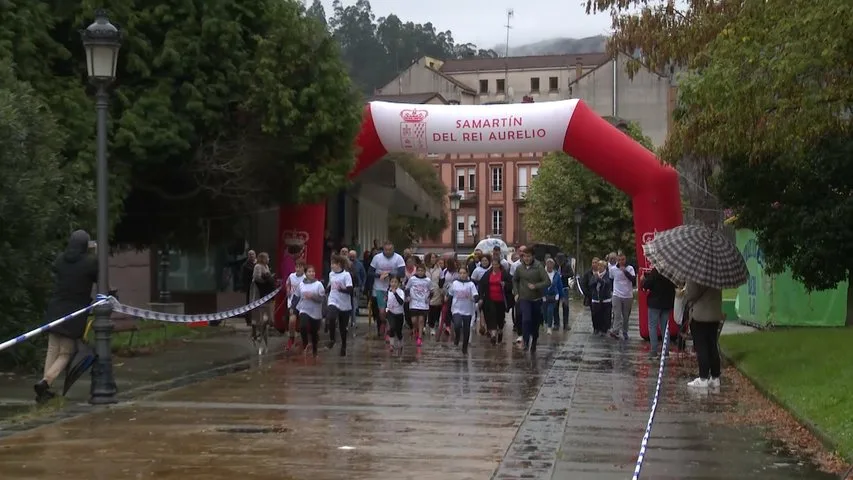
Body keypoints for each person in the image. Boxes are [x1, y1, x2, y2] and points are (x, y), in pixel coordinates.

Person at [36, 230, 98, 403]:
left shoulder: (60, 259)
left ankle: (44, 389)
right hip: (74, 312)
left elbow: (57, 269)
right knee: (66, 352)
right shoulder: (90, 262)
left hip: (56, 308)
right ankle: (45, 382)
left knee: (52, 348)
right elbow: (98, 276)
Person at [685, 281, 724, 388]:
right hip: (714, 314)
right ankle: (715, 377)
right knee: (712, 345)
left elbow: (690, 294)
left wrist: (685, 289)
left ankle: (703, 378)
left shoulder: (696, 274)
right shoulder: (717, 274)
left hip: (700, 315)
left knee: (701, 346)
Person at [512, 249, 550, 353]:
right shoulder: (520, 268)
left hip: (536, 299)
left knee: (535, 322)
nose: (526, 258)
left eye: (528, 256)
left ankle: (534, 340)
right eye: (524, 256)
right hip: (524, 298)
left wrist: (536, 286)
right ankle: (526, 341)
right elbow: (514, 280)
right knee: (526, 320)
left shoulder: (538, 267)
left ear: (533, 256)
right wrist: (516, 292)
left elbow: (547, 281)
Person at [369, 241, 406, 341]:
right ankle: (383, 323)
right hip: (379, 288)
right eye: (386, 250)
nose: (388, 252)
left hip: (393, 288)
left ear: (393, 249)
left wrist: (389, 275)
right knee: (382, 312)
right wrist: (379, 275)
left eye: (390, 250)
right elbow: (370, 272)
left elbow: (402, 273)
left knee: (391, 310)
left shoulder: (398, 258)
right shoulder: (377, 258)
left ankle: (389, 331)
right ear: (383, 249)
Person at [477, 255, 513, 344]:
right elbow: (481, 285)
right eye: (493, 265)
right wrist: (481, 297)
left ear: (499, 265)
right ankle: (493, 335)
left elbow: (511, 284)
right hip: (490, 299)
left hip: (501, 300)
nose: (494, 266)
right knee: (491, 317)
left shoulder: (504, 273)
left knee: (500, 319)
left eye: (496, 264)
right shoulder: (488, 273)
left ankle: (500, 331)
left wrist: (505, 284)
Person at [642, 267, 676, 360]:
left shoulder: (656, 271)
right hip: (667, 303)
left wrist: (643, 280)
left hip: (655, 303)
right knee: (665, 327)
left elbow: (647, 285)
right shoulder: (671, 271)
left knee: (652, 326)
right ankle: (666, 351)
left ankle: (654, 351)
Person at [295, 265, 325, 357]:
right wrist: (293, 307)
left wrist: (312, 296)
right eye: (309, 272)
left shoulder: (318, 284)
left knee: (314, 331)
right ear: (305, 273)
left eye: (313, 272)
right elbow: (296, 296)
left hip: (316, 311)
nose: (311, 273)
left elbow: (322, 299)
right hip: (304, 309)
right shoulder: (301, 284)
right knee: (303, 326)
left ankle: (315, 350)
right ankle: (305, 344)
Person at [325, 255, 353, 356]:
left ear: (339, 264)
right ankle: (332, 339)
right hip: (333, 299)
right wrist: (324, 290)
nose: (331, 266)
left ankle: (344, 345)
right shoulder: (331, 274)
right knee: (331, 317)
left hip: (344, 304)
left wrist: (341, 289)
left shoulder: (346, 275)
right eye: (331, 263)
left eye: (334, 264)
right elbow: (330, 285)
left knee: (342, 327)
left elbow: (350, 289)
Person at [447, 268, 479, 354]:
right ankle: (457, 336)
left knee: (466, 329)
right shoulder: (455, 283)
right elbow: (450, 296)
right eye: (460, 273)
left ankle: (464, 348)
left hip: (468, 310)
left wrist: (473, 298)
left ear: (467, 274)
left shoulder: (471, 284)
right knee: (457, 325)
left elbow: (476, 296)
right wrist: (448, 309)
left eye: (464, 273)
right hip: (456, 309)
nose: (462, 275)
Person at [250, 252, 276, 345]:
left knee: (267, 317)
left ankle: (261, 331)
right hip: (258, 292)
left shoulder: (266, 266)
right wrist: (266, 280)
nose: (269, 259)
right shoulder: (258, 266)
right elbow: (257, 278)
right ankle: (256, 333)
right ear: (263, 258)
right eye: (267, 257)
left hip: (266, 292)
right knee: (258, 314)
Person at [609, 253, 636, 340]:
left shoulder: (630, 268)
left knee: (626, 316)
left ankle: (625, 331)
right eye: (619, 260)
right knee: (617, 314)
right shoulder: (613, 269)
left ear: (625, 260)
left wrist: (625, 271)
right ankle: (615, 331)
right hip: (617, 294)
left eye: (623, 260)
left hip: (628, 295)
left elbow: (633, 280)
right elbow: (611, 279)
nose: (621, 262)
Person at [406, 264, 432, 347]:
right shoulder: (412, 279)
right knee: (414, 321)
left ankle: (419, 338)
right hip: (413, 302)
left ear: (424, 271)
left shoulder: (428, 280)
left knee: (421, 320)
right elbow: (407, 288)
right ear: (416, 271)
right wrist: (408, 296)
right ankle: (415, 329)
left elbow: (431, 291)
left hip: (423, 303)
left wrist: (429, 298)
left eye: (422, 271)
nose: (420, 272)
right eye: (419, 270)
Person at [285, 262, 306, 350]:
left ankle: (304, 340)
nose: (298, 269)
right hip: (292, 301)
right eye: (297, 267)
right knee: (292, 320)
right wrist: (288, 290)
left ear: (303, 268)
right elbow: (287, 284)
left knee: (303, 323)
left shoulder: (305, 278)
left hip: (303, 302)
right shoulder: (291, 276)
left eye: (300, 267)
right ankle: (291, 338)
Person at [589, 260, 614, 335]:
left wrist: (599, 279)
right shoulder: (595, 274)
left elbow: (607, 283)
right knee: (595, 315)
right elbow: (591, 284)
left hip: (605, 299)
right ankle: (596, 328)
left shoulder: (608, 274)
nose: (599, 267)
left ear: (605, 267)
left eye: (601, 266)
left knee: (605, 315)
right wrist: (596, 280)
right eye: (598, 265)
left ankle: (604, 329)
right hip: (596, 298)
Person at [543, 258, 565, 335]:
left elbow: (560, 286)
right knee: (544, 312)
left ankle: (549, 327)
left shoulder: (556, 274)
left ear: (553, 265)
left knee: (550, 310)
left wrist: (562, 296)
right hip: (544, 295)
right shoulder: (542, 273)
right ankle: (546, 322)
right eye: (548, 264)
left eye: (551, 265)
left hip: (553, 296)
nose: (549, 266)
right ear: (546, 264)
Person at [385, 275, 406, 354]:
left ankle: (400, 342)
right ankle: (391, 345)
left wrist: (395, 294)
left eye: (395, 282)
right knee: (392, 327)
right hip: (391, 313)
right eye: (392, 282)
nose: (393, 284)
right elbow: (387, 302)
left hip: (399, 314)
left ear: (399, 283)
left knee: (398, 331)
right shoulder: (388, 291)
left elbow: (401, 302)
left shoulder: (400, 292)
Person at [424, 253, 443, 336]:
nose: (433, 259)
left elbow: (441, 280)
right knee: (424, 308)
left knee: (433, 309)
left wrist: (440, 289)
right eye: (432, 258)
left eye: (435, 258)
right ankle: (423, 325)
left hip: (436, 290)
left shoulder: (439, 269)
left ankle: (432, 327)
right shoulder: (423, 268)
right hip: (424, 290)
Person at [555, 253, 574, 331]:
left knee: (565, 306)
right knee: (555, 306)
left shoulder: (567, 265)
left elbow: (571, 274)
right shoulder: (555, 266)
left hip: (564, 288)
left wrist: (562, 275)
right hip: (556, 289)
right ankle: (556, 323)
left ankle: (566, 324)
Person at [347, 250, 366, 326]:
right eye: (350, 256)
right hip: (347, 288)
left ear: (356, 256)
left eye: (353, 256)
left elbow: (363, 276)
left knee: (354, 306)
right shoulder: (345, 264)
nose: (352, 257)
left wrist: (362, 285)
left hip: (356, 287)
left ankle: (353, 322)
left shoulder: (359, 265)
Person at [240, 250, 257, 326]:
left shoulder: (258, 263)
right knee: (248, 303)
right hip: (249, 287)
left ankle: (256, 319)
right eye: (250, 254)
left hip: (257, 287)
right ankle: (249, 320)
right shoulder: (245, 265)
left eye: (252, 254)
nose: (251, 256)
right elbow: (245, 277)